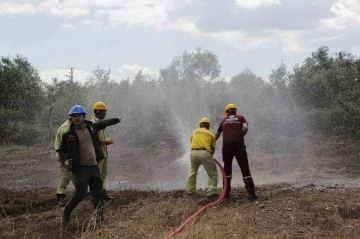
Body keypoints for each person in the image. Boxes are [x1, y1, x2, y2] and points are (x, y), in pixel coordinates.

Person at [57, 105, 121, 228]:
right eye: (73, 116)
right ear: (71, 118)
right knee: (80, 194)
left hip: (94, 167)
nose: (76, 118)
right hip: (81, 169)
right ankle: (67, 210)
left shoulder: (91, 127)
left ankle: (100, 220)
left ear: (83, 116)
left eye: (78, 116)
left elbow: (104, 123)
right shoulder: (69, 134)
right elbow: (61, 150)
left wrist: (117, 119)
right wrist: (64, 161)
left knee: (98, 194)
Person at [215, 103, 258, 200]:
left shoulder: (223, 121)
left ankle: (226, 193)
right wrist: (242, 135)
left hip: (227, 146)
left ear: (226, 112)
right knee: (244, 167)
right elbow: (245, 127)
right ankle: (251, 193)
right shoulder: (240, 117)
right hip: (239, 145)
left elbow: (216, 136)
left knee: (227, 168)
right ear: (235, 110)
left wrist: (209, 145)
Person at [186, 118, 218, 197]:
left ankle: (190, 190)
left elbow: (192, 141)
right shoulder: (211, 134)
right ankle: (211, 192)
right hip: (204, 153)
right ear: (208, 126)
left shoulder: (195, 131)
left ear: (200, 125)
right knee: (212, 173)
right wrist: (210, 156)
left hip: (193, 153)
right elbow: (212, 149)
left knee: (193, 171)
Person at [91, 101, 114, 201]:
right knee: (97, 175)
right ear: (99, 111)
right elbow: (92, 139)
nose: (106, 113)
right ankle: (96, 196)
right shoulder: (93, 124)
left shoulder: (100, 123)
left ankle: (103, 193)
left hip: (104, 154)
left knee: (103, 175)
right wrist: (104, 142)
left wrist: (105, 141)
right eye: (105, 111)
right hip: (98, 154)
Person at [54, 110, 74, 205]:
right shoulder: (65, 128)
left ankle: (80, 192)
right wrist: (65, 160)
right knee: (66, 176)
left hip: (68, 156)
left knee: (72, 174)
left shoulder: (69, 126)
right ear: (72, 118)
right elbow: (65, 146)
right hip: (64, 157)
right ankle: (60, 196)